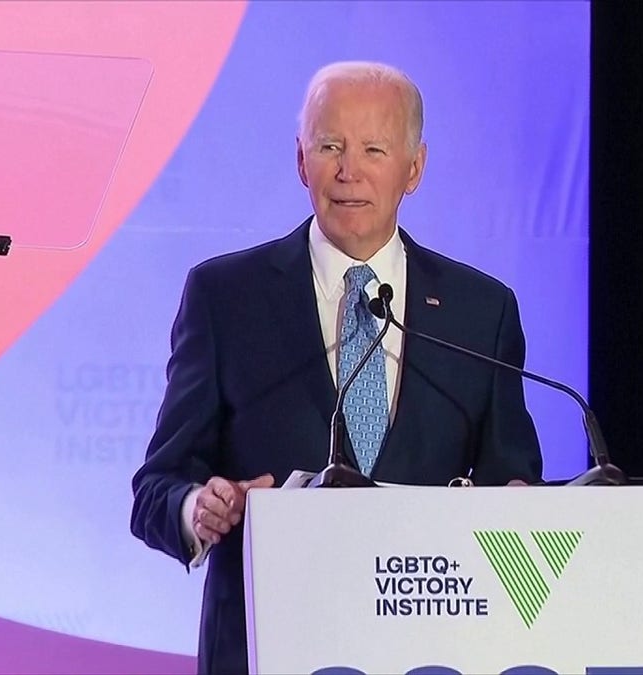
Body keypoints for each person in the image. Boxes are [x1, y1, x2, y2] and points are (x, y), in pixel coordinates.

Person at [130, 61, 542, 674]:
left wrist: (520, 510)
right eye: (330, 147)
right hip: (265, 648)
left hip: (429, 652)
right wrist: (198, 508)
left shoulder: (482, 311)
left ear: (415, 169)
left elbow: (515, 489)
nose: (349, 171)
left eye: (374, 149)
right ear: (301, 161)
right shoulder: (225, 297)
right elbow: (155, 489)